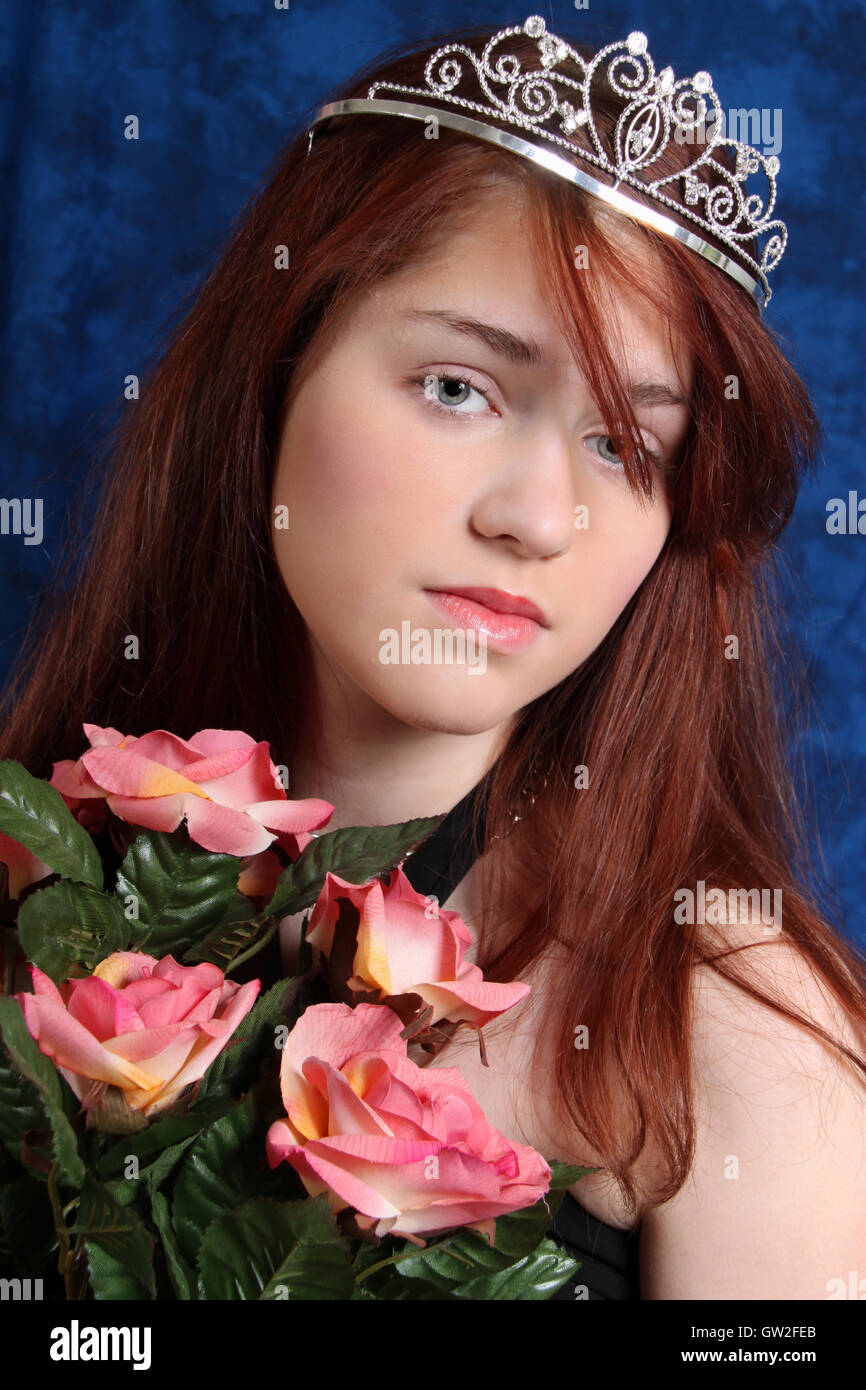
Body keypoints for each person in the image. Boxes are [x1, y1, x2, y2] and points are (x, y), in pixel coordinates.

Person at [1, 16, 865, 1300]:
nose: (535, 516)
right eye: (459, 388)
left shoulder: (726, 1032)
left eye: (627, 447)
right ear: (277, 369)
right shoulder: (40, 859)